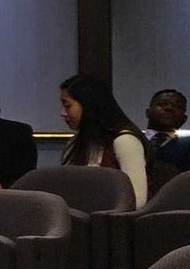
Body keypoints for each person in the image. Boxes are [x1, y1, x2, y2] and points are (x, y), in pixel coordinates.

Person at [59, 73, 151, 207]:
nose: (63, 113)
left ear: (88, 105)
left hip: (113, 222)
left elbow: (136, 199)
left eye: (67, 106)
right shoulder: (75, 142)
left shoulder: (125, 141)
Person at [145, 88, 190, 172]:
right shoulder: (130, 138)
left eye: (178, 106)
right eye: (162, 104)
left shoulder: (187, 145)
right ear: (148, 112)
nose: (169, 108)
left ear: (184, 119)